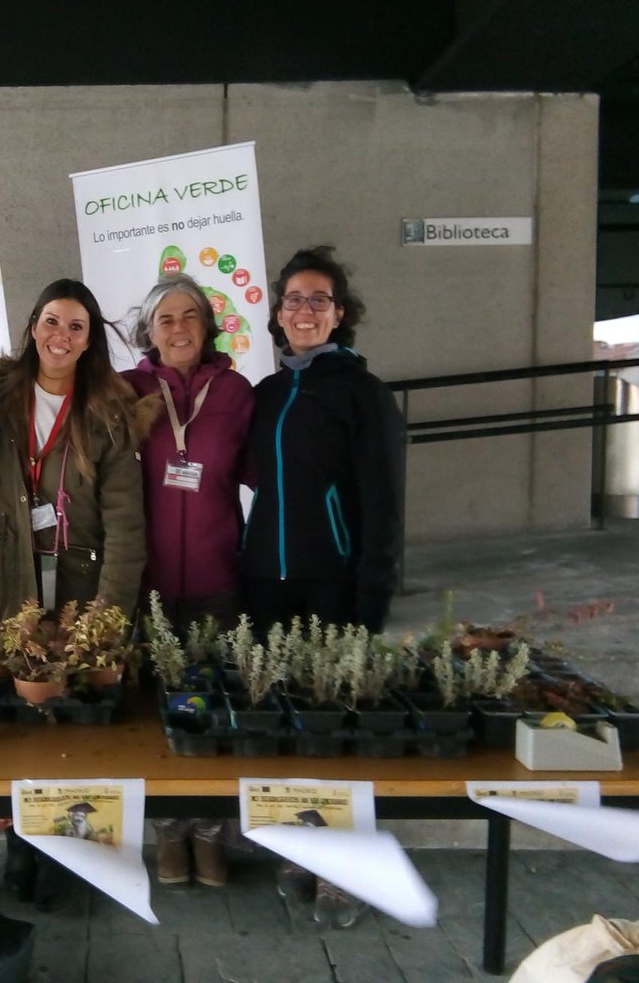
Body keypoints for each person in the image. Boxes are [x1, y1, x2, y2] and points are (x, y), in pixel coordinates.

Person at [240, 245, 404, 929]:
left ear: (340, 315)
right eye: (293, 301)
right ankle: (297, 849)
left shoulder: (363, 394)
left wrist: (373, 595)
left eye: (318, 300)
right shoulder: (267, 394)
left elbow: (384, 502)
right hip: (264, 585)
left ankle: (346, 866)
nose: (304, 311)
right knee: (281, 721)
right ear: (277, 316)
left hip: (334, 585)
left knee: (336, 729)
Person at [0, 277, 145, 908]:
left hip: (81, 582)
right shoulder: (1, 399)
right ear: (32, 328)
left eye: (76, 325)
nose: (61, 336)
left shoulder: (108, 410)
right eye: (51, 321)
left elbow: (127, 522)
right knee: (20, 725)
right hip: (14, 580)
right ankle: (24, 848)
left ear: (90, 337)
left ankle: (80, 856)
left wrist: (108, 614)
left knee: (78, 726)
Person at [123, 274, 254, 888]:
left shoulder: (235, 391)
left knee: (210, 708)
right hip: (145, 582)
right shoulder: (127, 391)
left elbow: (267, 475)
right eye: (165, 318)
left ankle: (209, 833)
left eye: (189, 316)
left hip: (216, 578)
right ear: (148, 331)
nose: (178, 328)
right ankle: (168, 833)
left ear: (207, 325)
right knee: (155, 713)